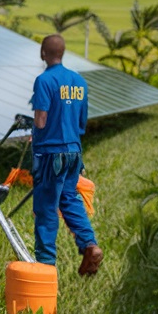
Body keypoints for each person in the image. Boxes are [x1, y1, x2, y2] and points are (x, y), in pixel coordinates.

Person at [30, 34, 102, 274]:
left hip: (51, 154)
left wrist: (33, 132)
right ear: (63, 52)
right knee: (69, 199)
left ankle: (45, 267)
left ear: (43, 53)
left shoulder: (44, 80)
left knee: (46, 208)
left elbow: (40, 121)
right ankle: (89, 245)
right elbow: (82, 122)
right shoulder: (79, 82)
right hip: (74, 151)